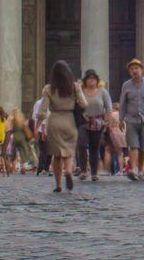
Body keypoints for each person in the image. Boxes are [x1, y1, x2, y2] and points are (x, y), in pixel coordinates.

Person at [36, 60, 88, 192]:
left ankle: (58, 184)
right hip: (70, 120)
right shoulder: (75, 86)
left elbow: (42, 111)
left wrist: (38, 124)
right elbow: (84, 104)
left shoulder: (48, 89)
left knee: (57, 155)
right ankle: (69, 171)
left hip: (54, 120)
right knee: (69, 152)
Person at [117, 59, 144, 181]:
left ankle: (141, 170)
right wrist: (121, 119)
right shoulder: (126, 85)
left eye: (136, 68)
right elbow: (123, 103)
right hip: (131, 119)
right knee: (133, 145)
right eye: (132, 69)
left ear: (141, 70)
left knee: (142, 147)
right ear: (129, 72)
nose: (134, 71)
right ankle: (133, 169)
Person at [80, 69, 111, 181]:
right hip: (83, 121)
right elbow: (76, 105)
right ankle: (83, 170)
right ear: (85, 80)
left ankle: (94, 172)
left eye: (93, 78)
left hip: (97, 122)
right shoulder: (81, 91)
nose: (91, 80)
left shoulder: (102, 92)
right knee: (82, 144)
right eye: (89, 78)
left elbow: (108, 107)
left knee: (94, 147)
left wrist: (107, 122)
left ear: (97, 80)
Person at [8, 108, 37, 172]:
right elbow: (25, 128)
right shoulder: (22, 120)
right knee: (22, 152)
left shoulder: (12, 120)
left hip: (14, 136)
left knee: (13, 151)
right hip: (22, 137)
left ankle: (11, 166)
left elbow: (10, 129)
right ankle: (23, 167)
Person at [103, 102, 125, 175]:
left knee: (108, 150)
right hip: (121, 133)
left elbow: (107, 124)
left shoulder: (112, 115)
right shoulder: (122, 115)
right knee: (119, 152)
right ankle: (121, 170)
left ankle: (107, 170)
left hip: (113, 132)